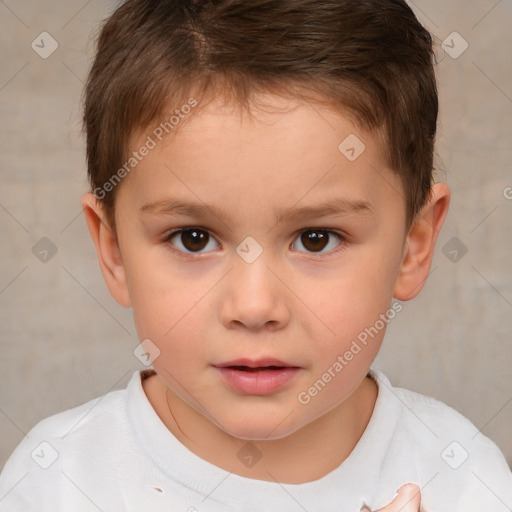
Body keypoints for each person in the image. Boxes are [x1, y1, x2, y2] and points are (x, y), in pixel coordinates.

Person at [0, 0, 511, 510]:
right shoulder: (57, 480)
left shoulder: (462, 477)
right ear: (114, 251)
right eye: (193, 239)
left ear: (411, 247)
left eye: (316, 239)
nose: (254, 306)